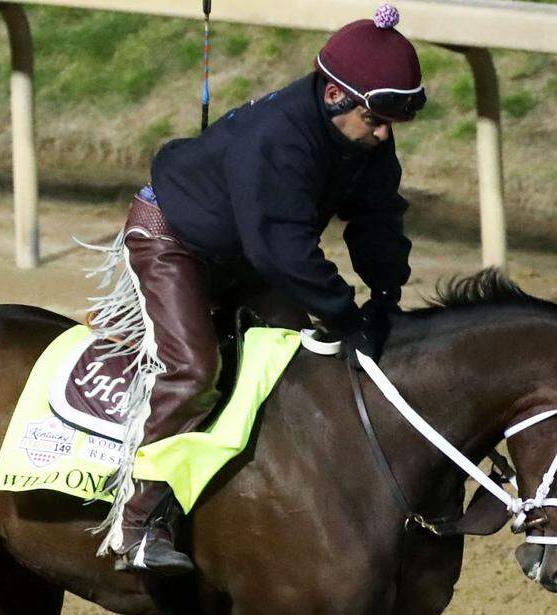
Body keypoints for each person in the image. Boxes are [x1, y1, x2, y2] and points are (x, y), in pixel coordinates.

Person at [88, 3, 425, 575]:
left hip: (248, 254)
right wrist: (345, 312)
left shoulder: (365, 136)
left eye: (394, 120)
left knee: (307, 360)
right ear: (334, 96)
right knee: (195, 370)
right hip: (174, 241)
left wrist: (386, 295)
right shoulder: (279, 139)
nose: (385, 132)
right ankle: (136, 522)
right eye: (377, 118)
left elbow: (377, 218)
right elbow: (284, 251)